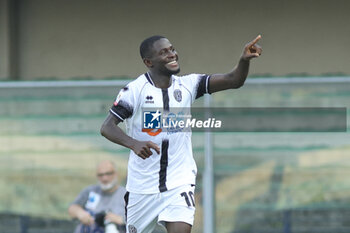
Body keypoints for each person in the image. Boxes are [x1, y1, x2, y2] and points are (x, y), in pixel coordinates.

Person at [100, 35, 262, 233]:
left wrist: (244, 61)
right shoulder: (134, 91)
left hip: (179, 182)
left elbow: (233, 80)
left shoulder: (188, 85)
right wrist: (133, 143)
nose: (172, 54)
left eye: (172, 49)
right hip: (142, 188)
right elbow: (107, 127)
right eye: (164, 52)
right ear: (148, 62)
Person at [68, 160, 127, 233]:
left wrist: (121, 220)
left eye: (108, 174)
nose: (104, 178)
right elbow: (72, 208)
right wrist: (81, 214)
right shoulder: (90, 191)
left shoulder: (126, 195)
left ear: (116, 174)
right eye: (100, 175)